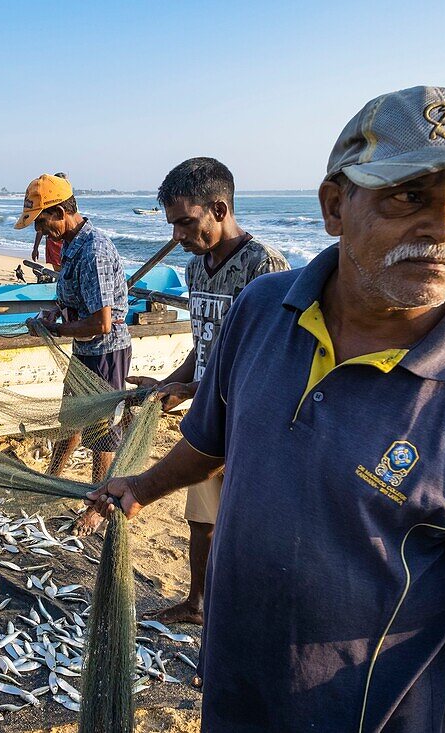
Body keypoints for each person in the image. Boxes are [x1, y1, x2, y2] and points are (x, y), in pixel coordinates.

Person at [88, 86, 445, 731]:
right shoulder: (262, 311)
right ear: (334, 205)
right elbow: (216, 439)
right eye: (408, 195)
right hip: (233, 692)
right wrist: (143, 485)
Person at [102, 158, 289, 628]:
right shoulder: (197, 268)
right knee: (200, 520)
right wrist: (174, 385)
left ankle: (243, 619)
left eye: (186, 222)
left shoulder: (264, 267)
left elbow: (264, 363)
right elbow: (204, 345)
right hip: (207, 418)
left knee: (243, 530)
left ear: (219, 208)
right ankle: (197, 602)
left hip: (249, 424)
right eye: (172, 224)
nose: (178, 235)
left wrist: (191, 388)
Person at [19, 174, 130, 483]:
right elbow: (76, 297)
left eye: (41, 223)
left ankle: (99, 495)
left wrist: (55, 330)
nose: (40, 231)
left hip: (106, 352)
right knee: (71, 421)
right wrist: (54, 312)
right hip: (84, 349)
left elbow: (101, 323)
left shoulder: (93, 251)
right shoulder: (70, 244)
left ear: (60, 212)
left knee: (101, 430)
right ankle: (52, 479)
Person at [32, 172, 67, 270]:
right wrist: (35, 248)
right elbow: (41, 228)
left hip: (65, 241)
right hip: (54, 241)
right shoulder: (49, 203)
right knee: (58, 271)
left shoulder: (68, 201)